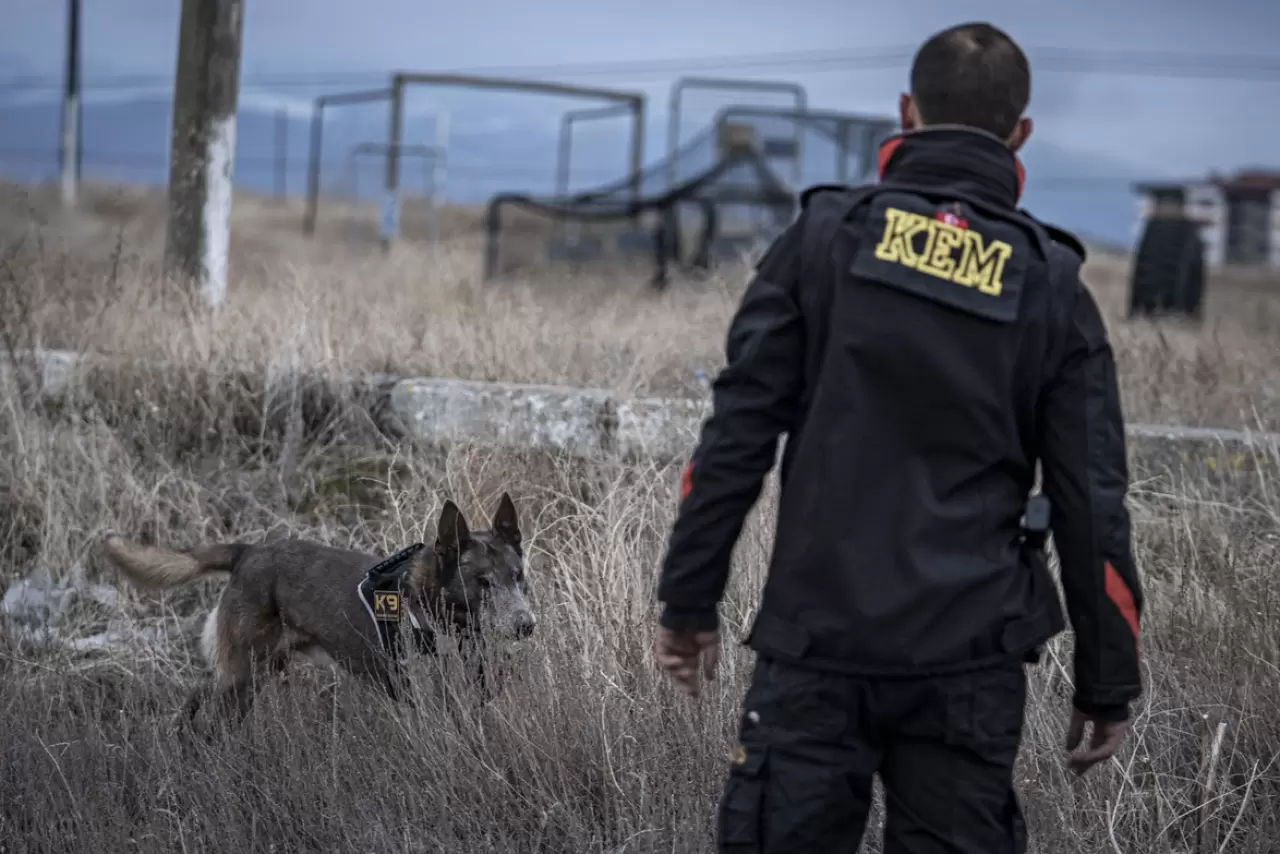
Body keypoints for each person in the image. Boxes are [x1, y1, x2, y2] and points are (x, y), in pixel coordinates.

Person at [652, 20, 1144, 854]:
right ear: (1020, 133)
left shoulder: (823, 240)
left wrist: (688, 601)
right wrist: (1107, 683)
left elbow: (734, 438)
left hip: (816, 646)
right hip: (969, 663)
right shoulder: (1053, 285)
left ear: (906, 112)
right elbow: (1093, 506)